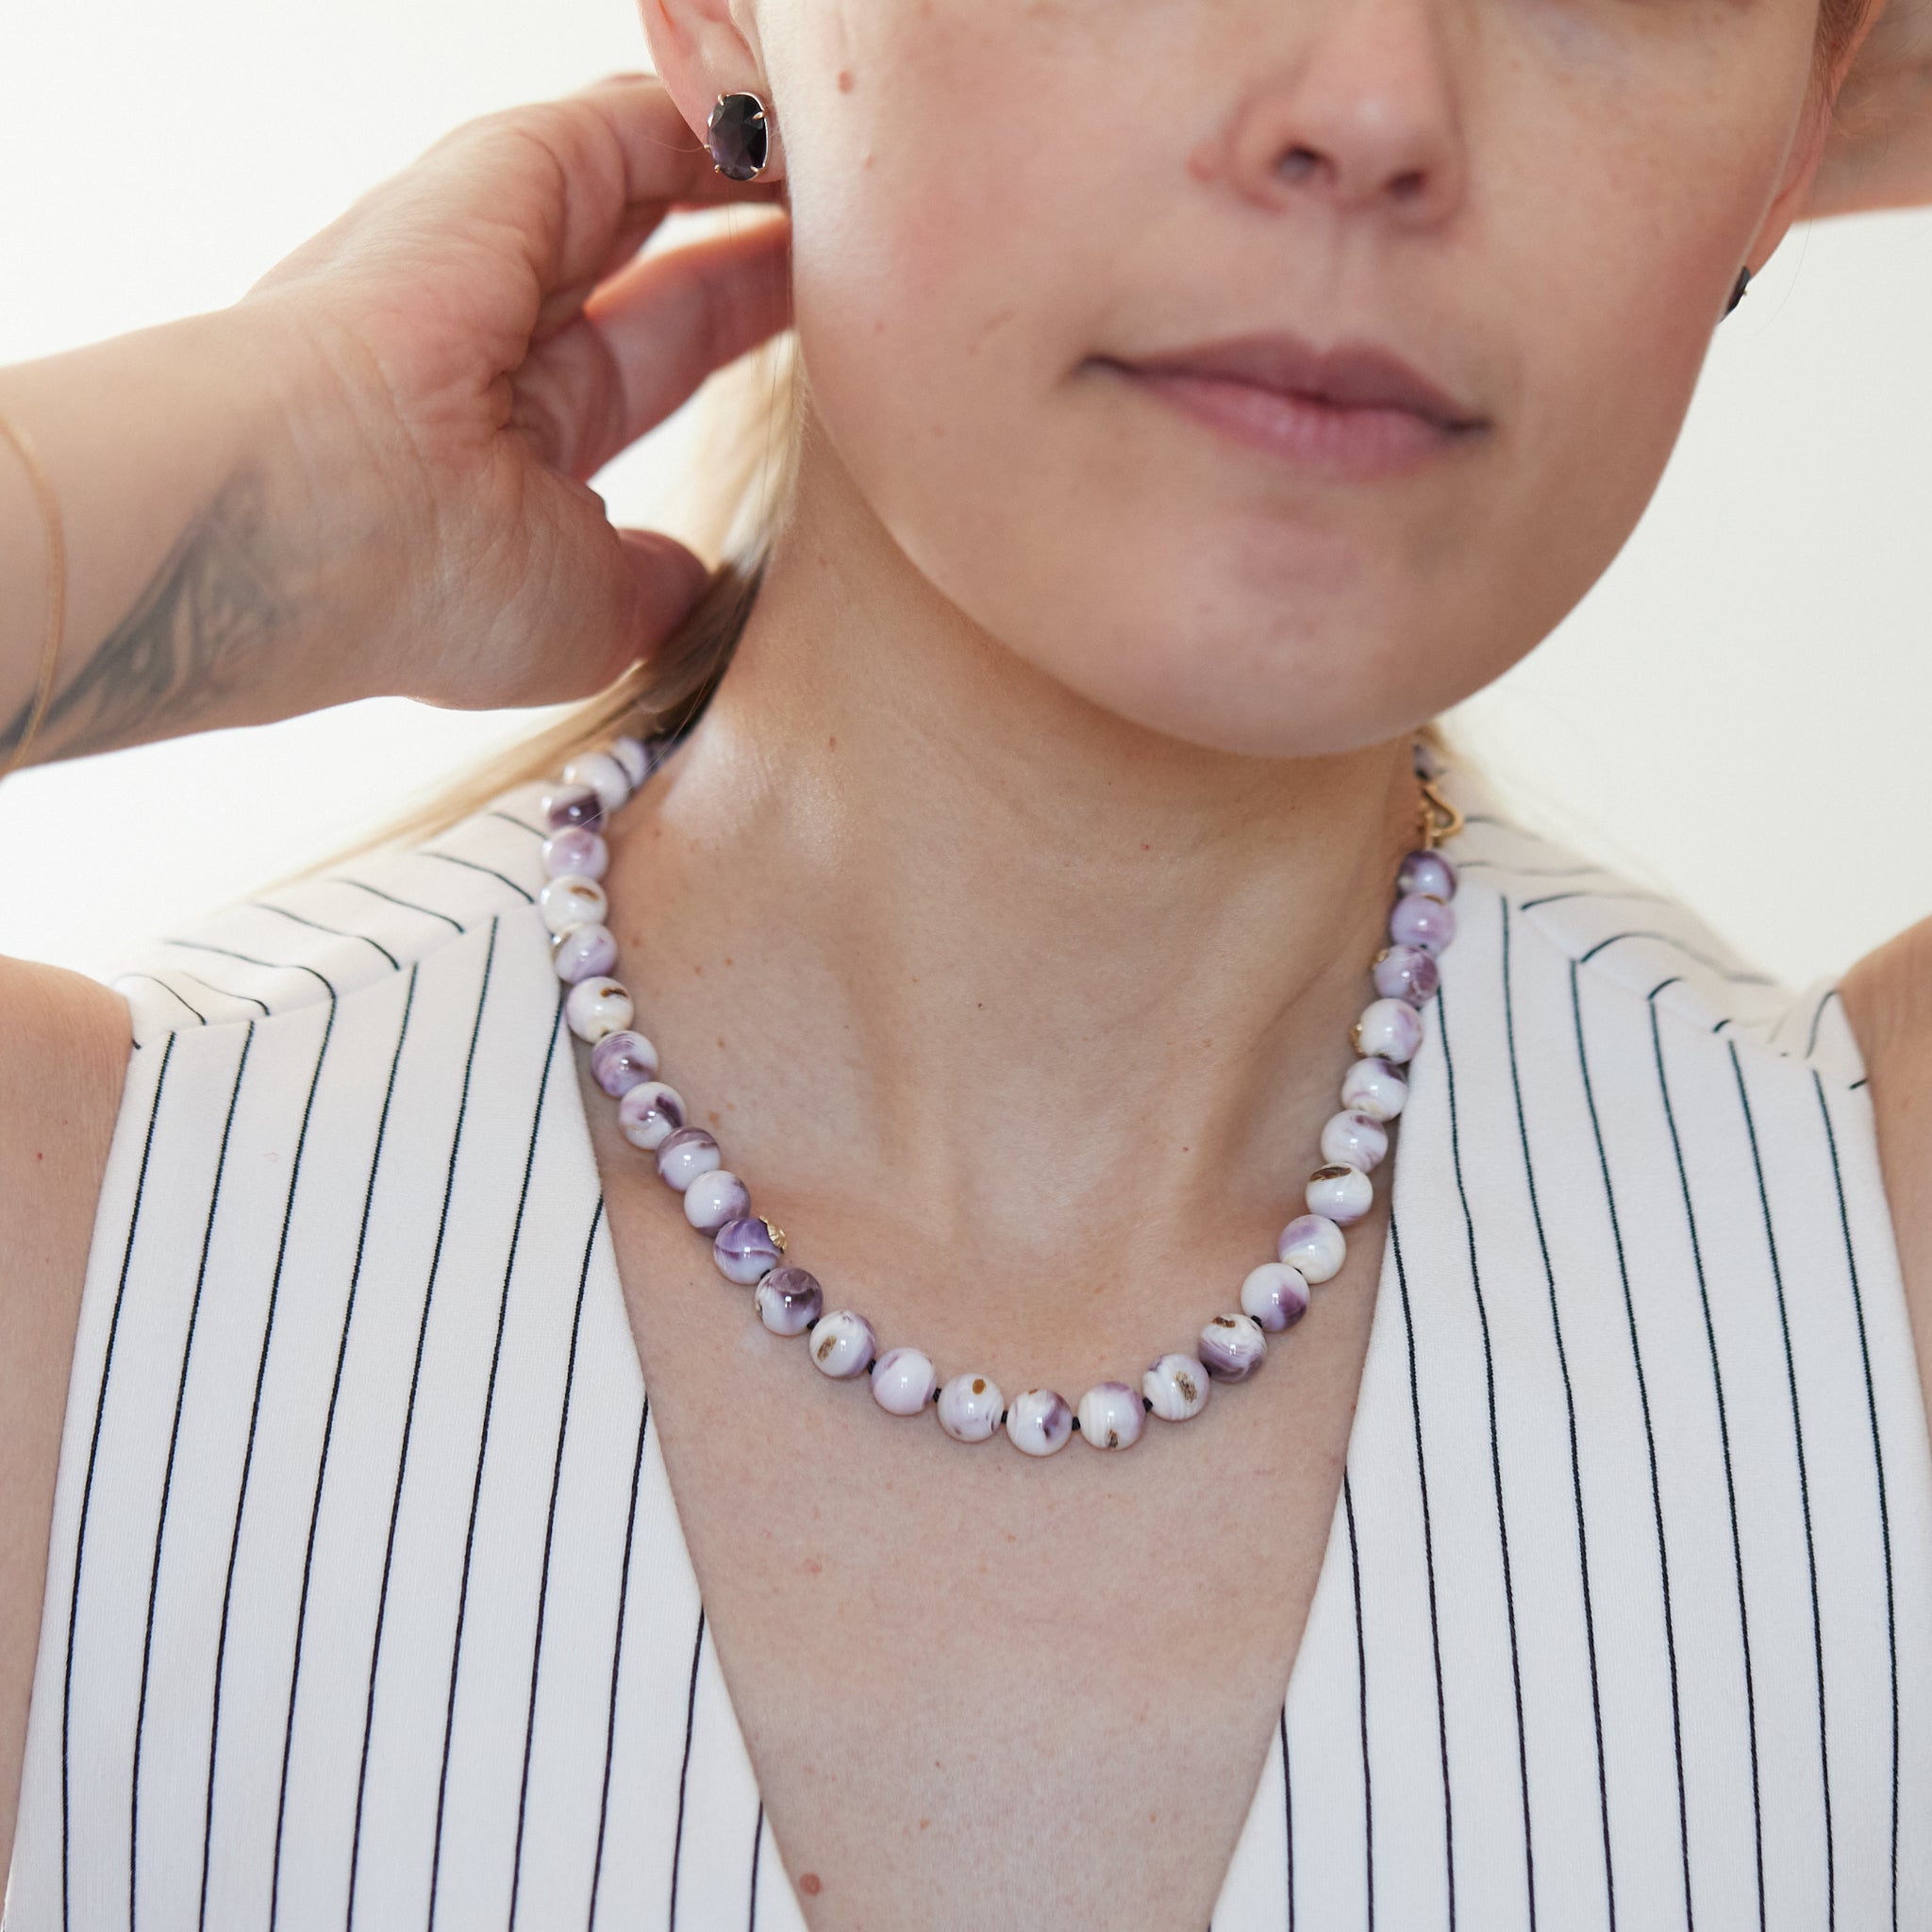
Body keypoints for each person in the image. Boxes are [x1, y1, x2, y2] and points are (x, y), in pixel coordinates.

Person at [1, 2, 1928, 1924]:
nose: (1369, 106)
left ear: (1798, 137)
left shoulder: (1883, 1234)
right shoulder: (71, 1241)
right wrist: (167, 515)